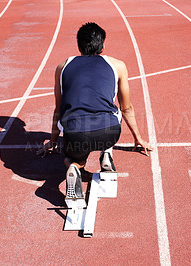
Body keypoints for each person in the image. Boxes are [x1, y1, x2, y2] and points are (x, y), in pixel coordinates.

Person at [38, 22, 152, 204]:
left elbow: (58, 110)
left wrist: (52, 142)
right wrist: (137, 138)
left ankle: (75, 167)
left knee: (73, 158)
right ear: (103, 45)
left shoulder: (63, 66)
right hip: (109, 133)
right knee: (114, 111)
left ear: (78, 46)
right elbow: (126, 107)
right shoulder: (118, 65)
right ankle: (106, 154)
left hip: (76, 134)